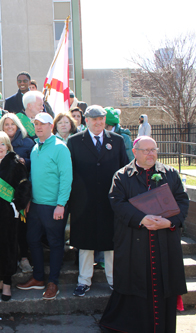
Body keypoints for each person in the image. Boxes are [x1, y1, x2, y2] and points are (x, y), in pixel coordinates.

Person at [100, 136, 189, 333]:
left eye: (154, 150)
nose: (151, 154)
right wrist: (142, 219)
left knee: (163, 284)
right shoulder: (121, 176)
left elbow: (182, 201)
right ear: (135, 152)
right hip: (135, 242)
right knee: (136, 285)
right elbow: (117, 202)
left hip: (164, 240)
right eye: (146, 150)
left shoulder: (171, 173)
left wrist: (170, 222)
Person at [67, 105, 129, 297]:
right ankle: (84, 281)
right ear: (86, 121)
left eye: (101, 118)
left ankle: (113, 280)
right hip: (83, 202)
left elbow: (124, 169)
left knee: (111, 243)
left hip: (110, 201)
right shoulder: (74, 141)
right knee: (85, 243)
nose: (98, 122)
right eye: (94, 119)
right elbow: (70, 171)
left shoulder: (117, 141)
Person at [16, 112, 72, 300]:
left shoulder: (60, 148)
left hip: (53, 207)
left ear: (51, 126)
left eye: (43, 124)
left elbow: (66, 178)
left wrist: (61, 204)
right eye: (36, 124)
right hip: (36, 206)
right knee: (33, 240)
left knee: (56, 244)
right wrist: (29, 199)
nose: (38, 127)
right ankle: (38, 277)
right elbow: (33, 177)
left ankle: (53, 282)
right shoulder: (35, 147)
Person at [0, 131, 32, 301]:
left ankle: (7, 284)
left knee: (7, 249)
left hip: (7, 214)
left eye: (2, 144)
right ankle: (1, 280)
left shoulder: (14, 163)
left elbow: (24, 186)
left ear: (8, 147)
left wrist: (16, 206)